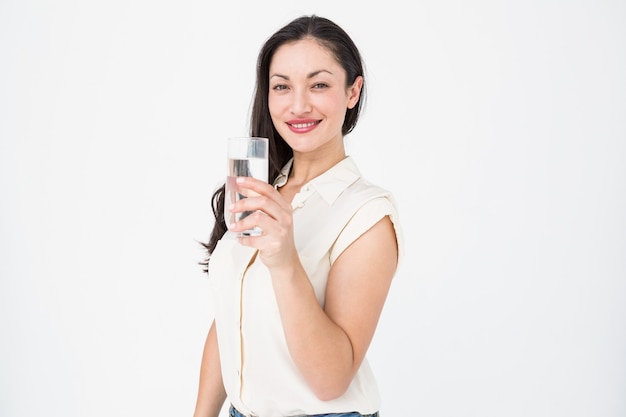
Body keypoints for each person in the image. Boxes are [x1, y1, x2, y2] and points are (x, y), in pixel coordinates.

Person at [194, 15, 403, 417]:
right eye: (282, 86)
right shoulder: (258, 188)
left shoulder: (369, 217)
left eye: (319, 84)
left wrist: (285, 262)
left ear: (352, 91)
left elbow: (331, 380)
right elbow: (229, 318)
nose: (298, 104)